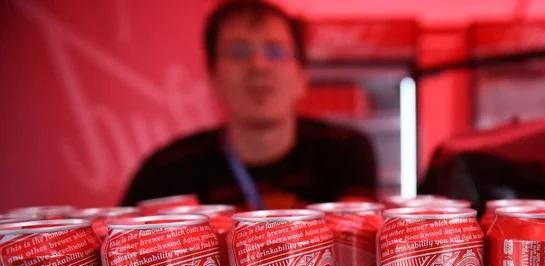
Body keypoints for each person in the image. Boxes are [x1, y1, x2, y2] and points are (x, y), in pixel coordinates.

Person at [122, 0, 376, 208]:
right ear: (212, 77)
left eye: (275, 51)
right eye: (238, 52)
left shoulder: (345, 154)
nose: (258, 66)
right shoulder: (166, 172)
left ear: (302, 77)